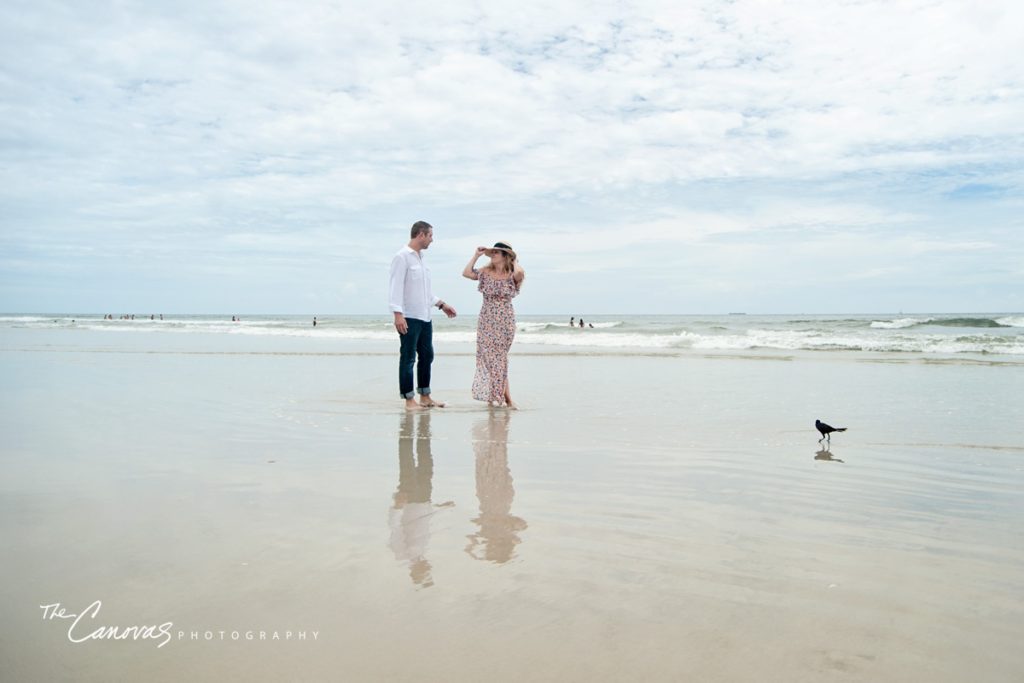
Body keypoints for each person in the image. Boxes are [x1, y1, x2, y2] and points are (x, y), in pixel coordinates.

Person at [389, 221, 457, 410]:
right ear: (421, 234)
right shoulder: (402, 257)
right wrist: (398, 314)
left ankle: (425, 396)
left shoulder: (422, 258)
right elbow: (395, 287)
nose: (432, 240)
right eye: (430, 236)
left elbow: (425, 291)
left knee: (427, 355)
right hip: (409, 316)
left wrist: (441, 304)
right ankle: (409, 401)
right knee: (408, 358)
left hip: (425, 316)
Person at [463, 241, 525, 408]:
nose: (493, 255)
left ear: (506, 256)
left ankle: (501, 398)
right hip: (486, 320)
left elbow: (520, 273)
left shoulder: (513, 274)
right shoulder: (485, 272)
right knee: (491, 360)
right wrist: (476, 255)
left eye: (497, 252)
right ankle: (504, 399)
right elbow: (466, 273)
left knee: (500, 359)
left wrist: (514, 259)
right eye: (493, 252)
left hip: (505, 321)